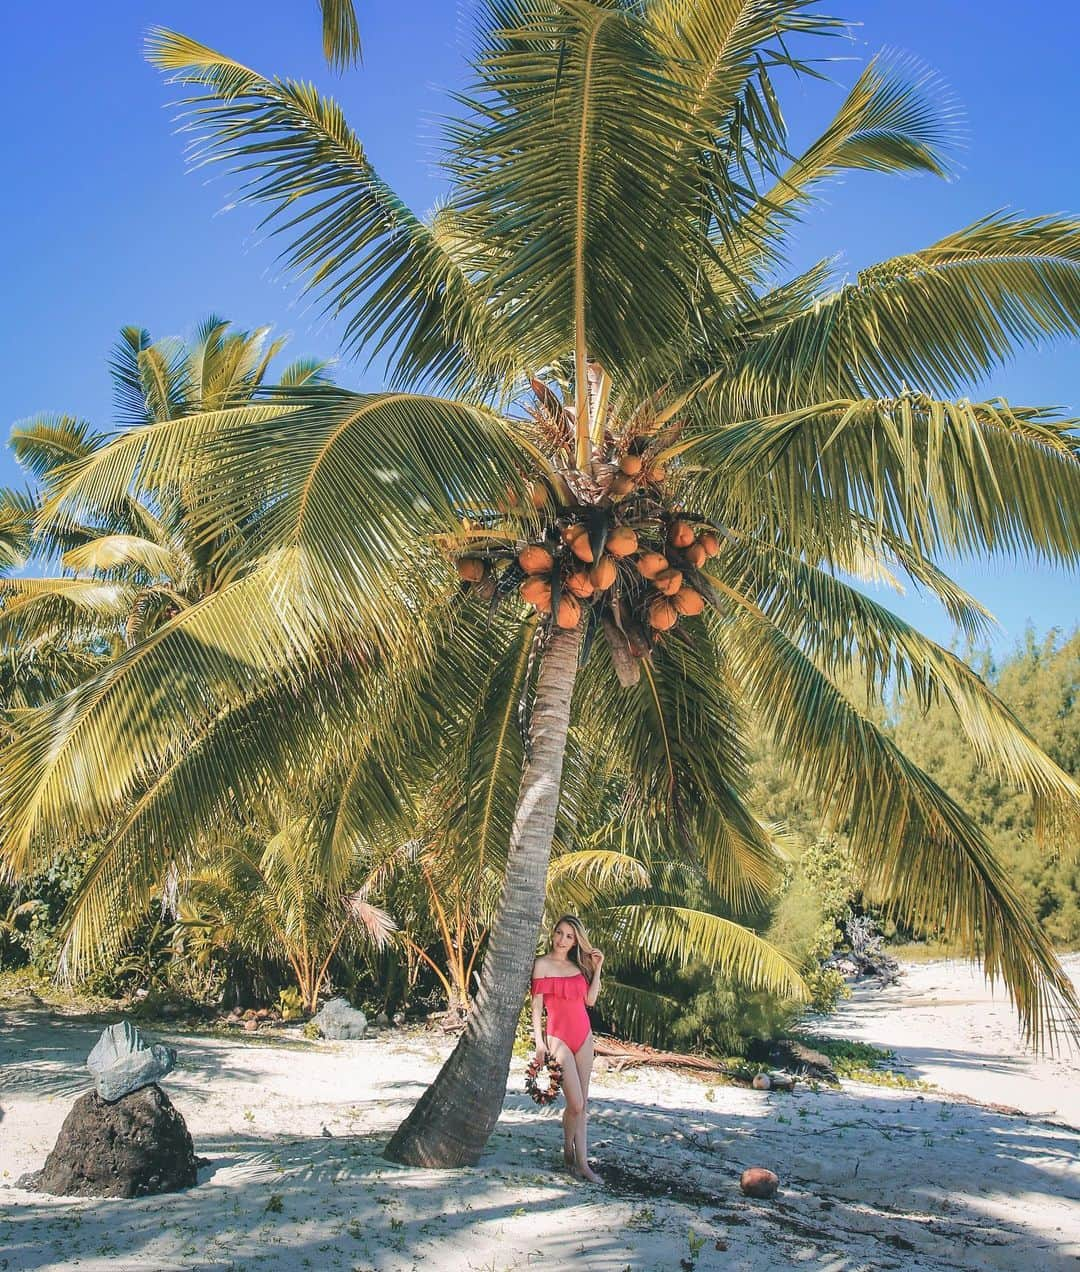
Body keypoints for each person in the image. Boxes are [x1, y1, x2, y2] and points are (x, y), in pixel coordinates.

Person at [531, 914, 605, 1183]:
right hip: (558, 1038)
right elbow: (537, 1007)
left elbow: (591, 1000)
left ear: (576, 941)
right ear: (553, 934)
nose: (562, 940)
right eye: (559, 933)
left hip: (584, 1036)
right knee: (574, 1102)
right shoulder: (541, 965)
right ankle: (568, 1149)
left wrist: (597, 969)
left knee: (581, 1105)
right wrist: (540, 1043)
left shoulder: (578, 967)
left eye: (569, 936)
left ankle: (580, 1163)